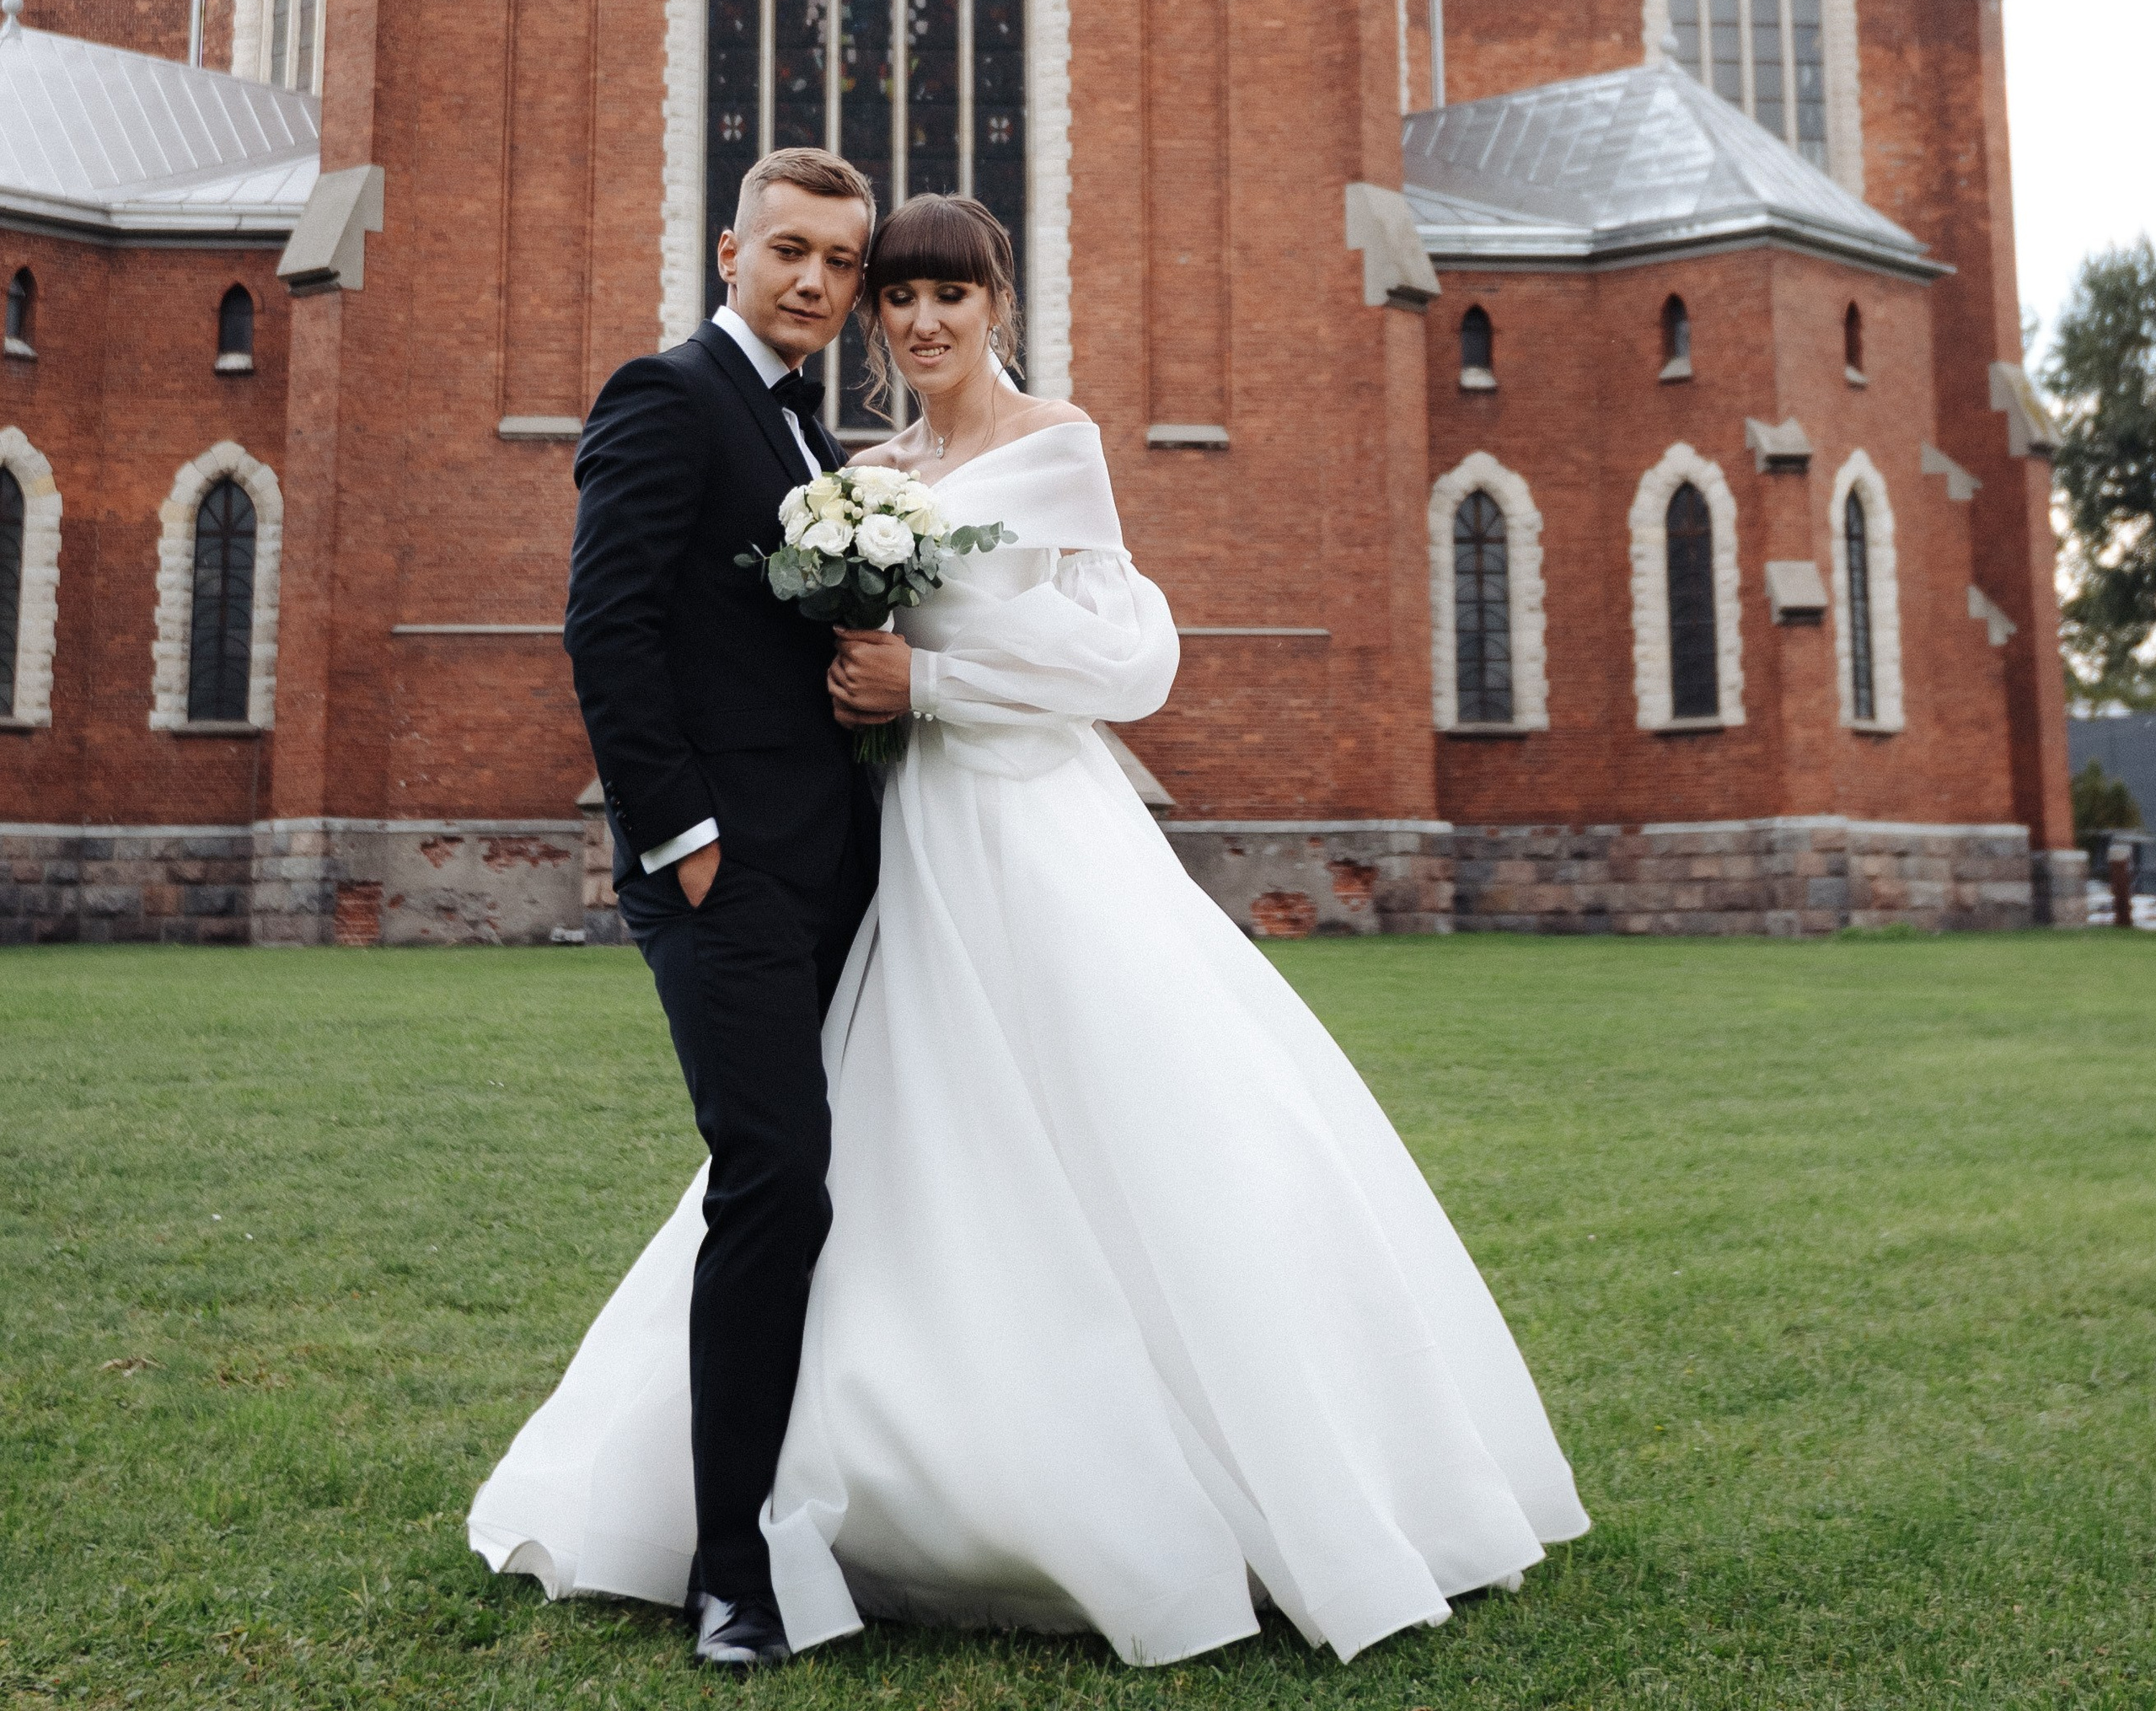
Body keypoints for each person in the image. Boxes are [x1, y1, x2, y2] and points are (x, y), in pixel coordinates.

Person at [474, 193, 1588, 1670]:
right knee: (890, 1145)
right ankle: (852, 1490)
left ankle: (1235, 1474)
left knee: (1133, 1129)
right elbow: (697, 631)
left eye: (945, 292)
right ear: (833, 299)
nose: (920, 319)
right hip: (901, 846)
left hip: (1035, 832)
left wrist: (926, 691)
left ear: (1000, 303)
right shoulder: (851, 466)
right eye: (900, 297)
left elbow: (1128, 660)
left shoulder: (1055, 444)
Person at [551, 145, 881, 1671]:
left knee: (801, 1187)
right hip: (722, 871)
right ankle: (727, 1567)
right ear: (732, 247)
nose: (815, 281)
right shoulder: (664, 395)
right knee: (777, 1177)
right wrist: (680, 836)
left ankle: (822, 1496)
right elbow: (606, 625)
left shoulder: (808, 438)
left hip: (834, 865)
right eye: (791, 251)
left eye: (842, 265)